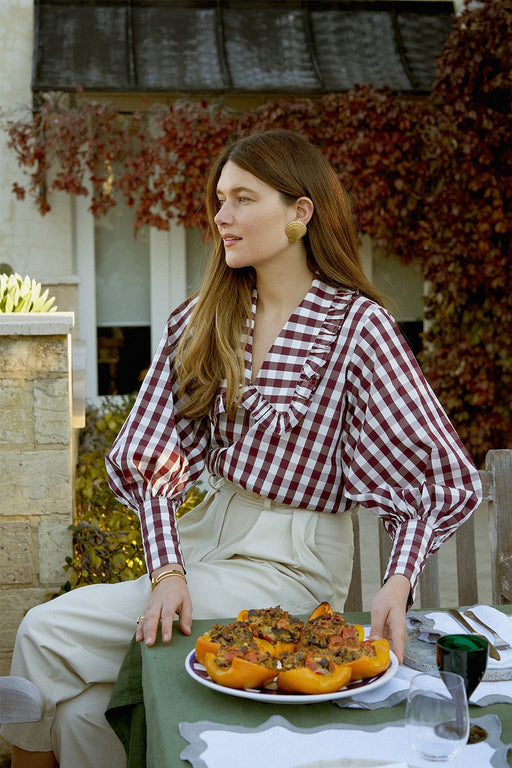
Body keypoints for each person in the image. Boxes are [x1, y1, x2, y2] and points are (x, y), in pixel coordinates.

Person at [1, 129, 482, 768]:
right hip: (204, 541)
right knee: (83, 713)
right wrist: (169, 569)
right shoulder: (202, 317)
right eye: (220, 199)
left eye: (243, 199)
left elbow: (441, 476)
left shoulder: (356, 327)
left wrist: (398, 578)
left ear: (299, 214)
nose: (221, 216)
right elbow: (149, 458)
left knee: (44, 632)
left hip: (290, 567)